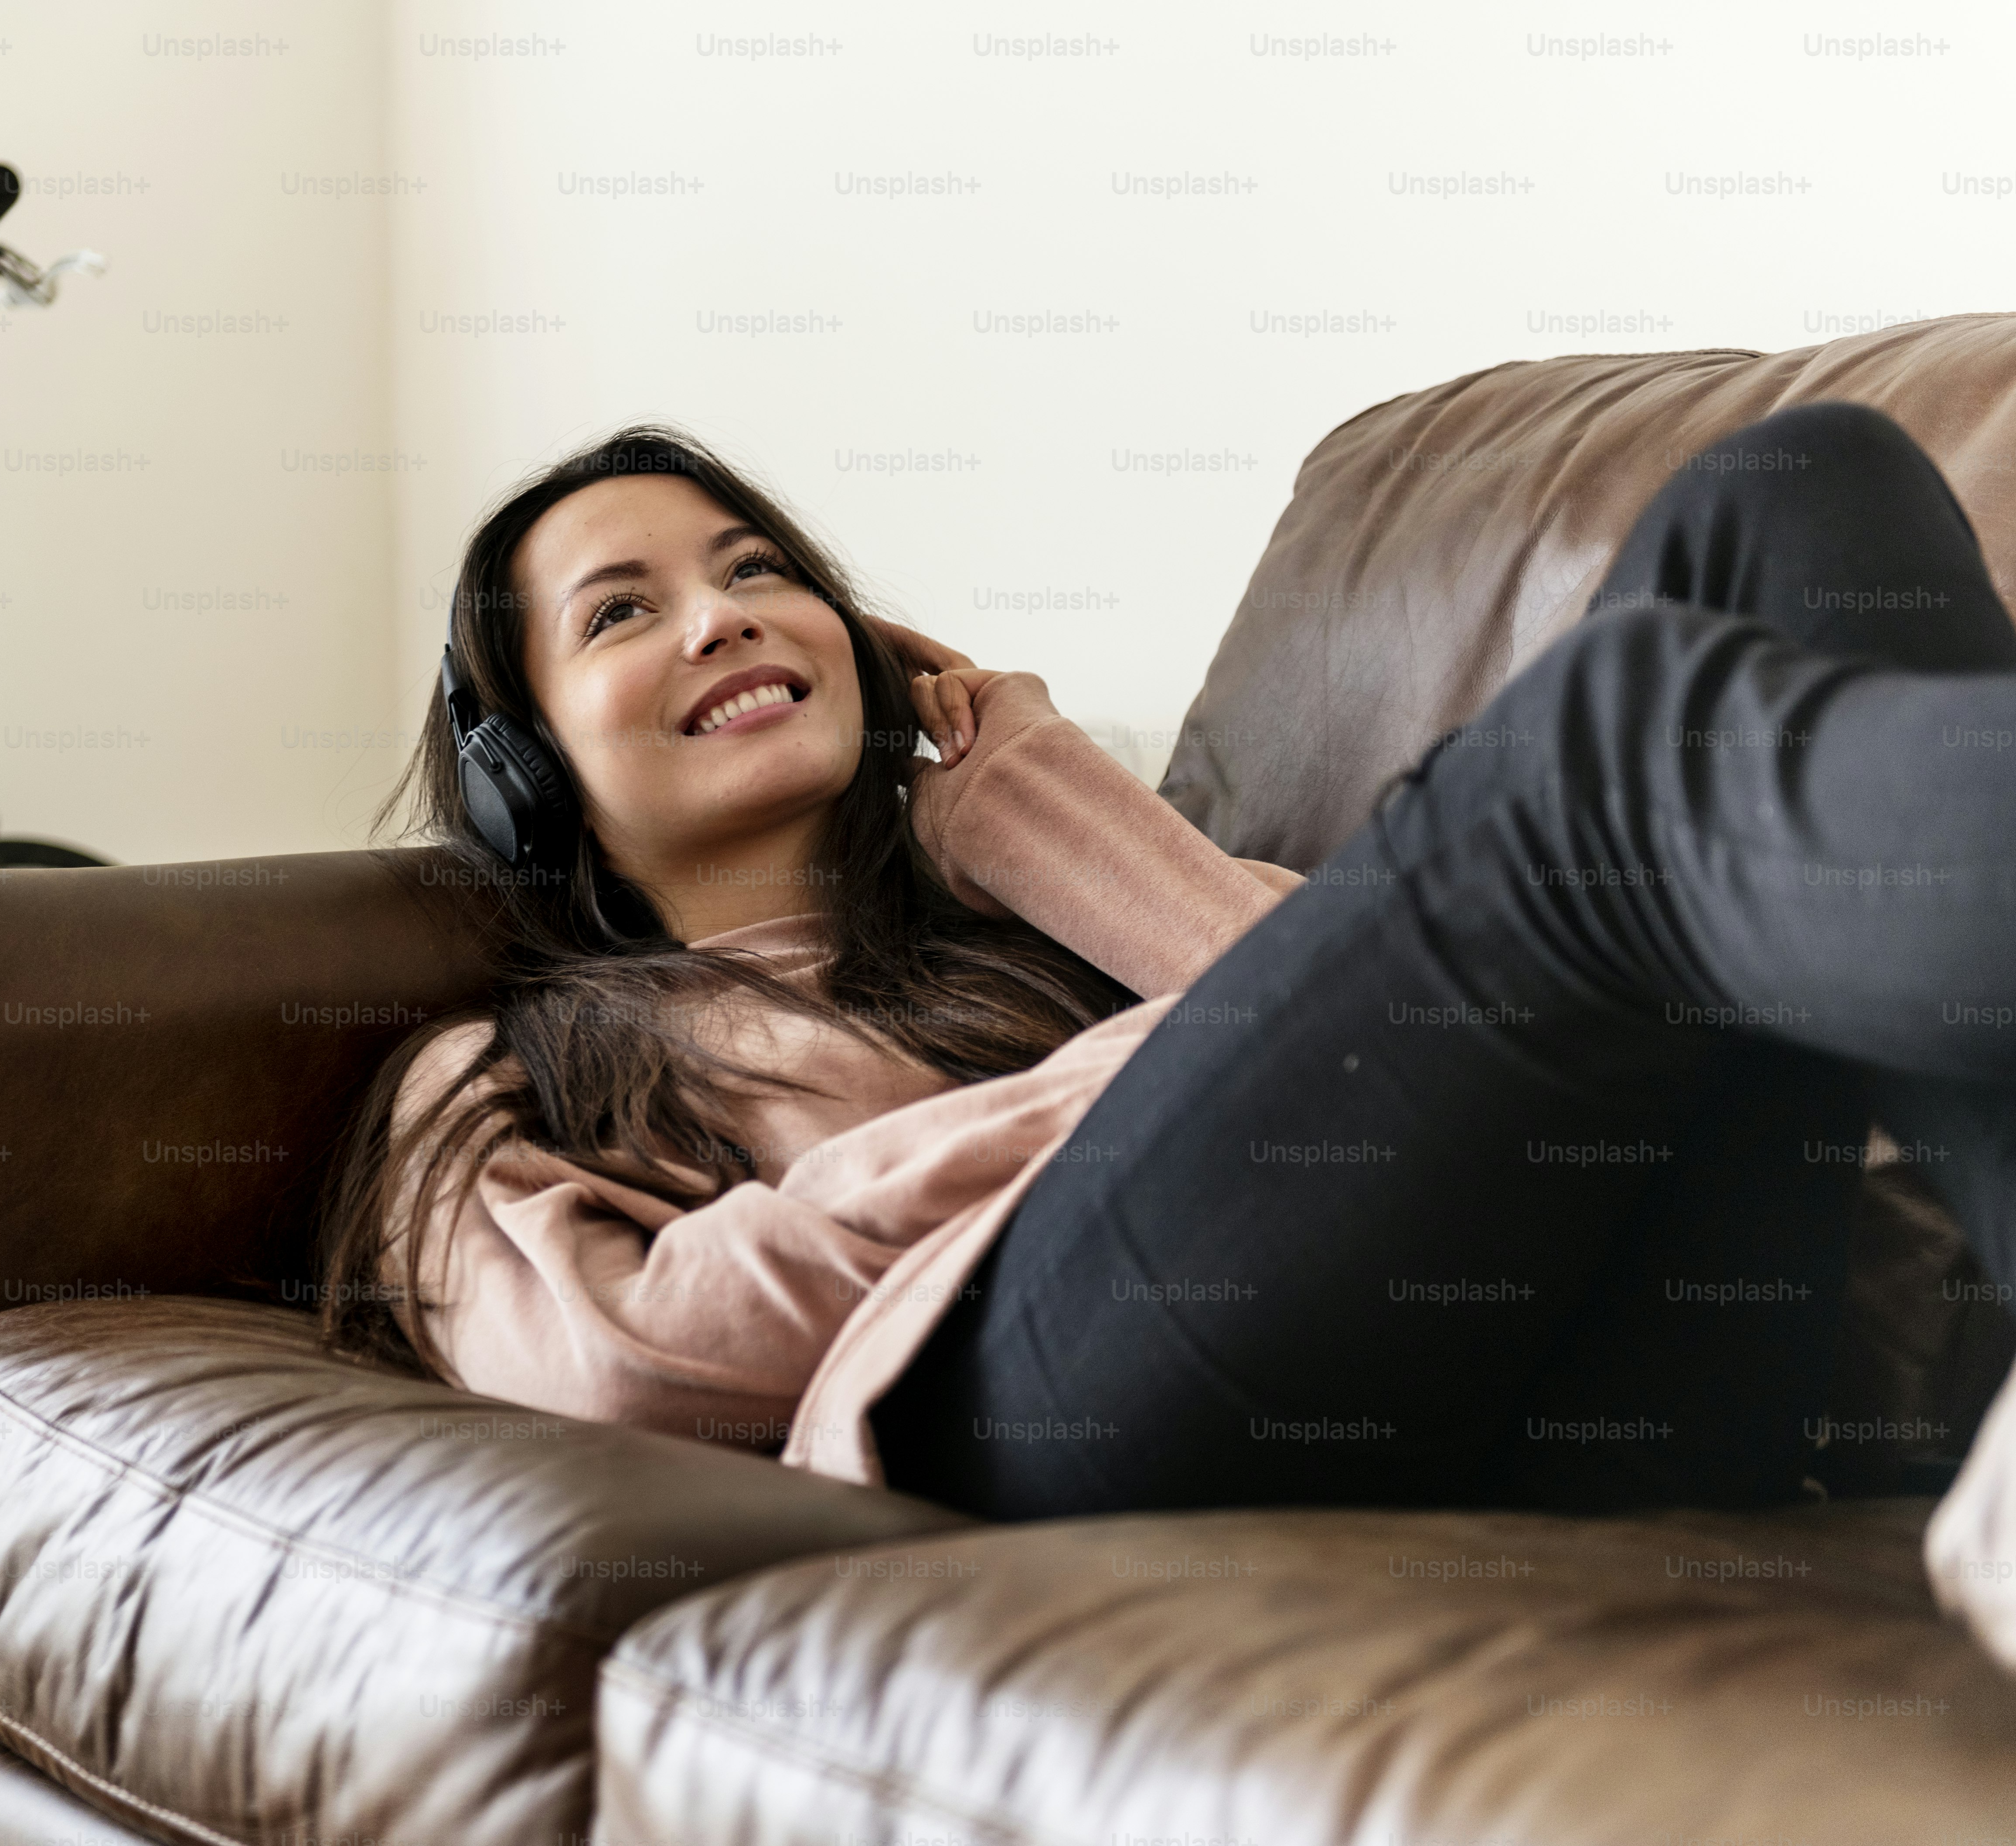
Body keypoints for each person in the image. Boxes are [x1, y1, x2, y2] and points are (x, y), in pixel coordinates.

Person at [317, 405, 2016, 1534]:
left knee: (1804, 492)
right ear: (522, 768)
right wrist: (1100, 1103)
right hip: (1034, 1434)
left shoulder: (1056, 912)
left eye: (758, 572)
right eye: (622, 613)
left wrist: (1043, 808)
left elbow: (1347, 1027)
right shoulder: (508, 1073)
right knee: (1599, 747)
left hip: (1586, 1391)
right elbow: (618, 1367)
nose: (721, 617)